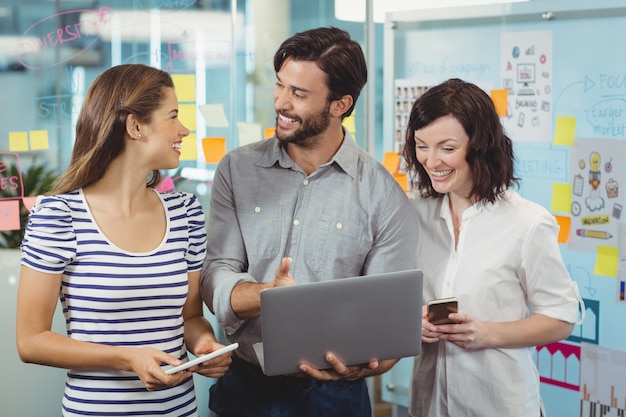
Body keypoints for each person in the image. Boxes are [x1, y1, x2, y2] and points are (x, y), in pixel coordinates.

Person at [200, 26, 419, 417]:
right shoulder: (236, 169)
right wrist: (269, 294)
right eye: (280, 86)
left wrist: (369, 363)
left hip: (336, 396)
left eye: (299, 94)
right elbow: (216, 273)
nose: (281, 102)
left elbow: (389, 328)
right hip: (244, 386)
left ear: (340, 104)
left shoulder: (383, 196)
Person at [16, 64, 231, 417]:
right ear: (134, 125)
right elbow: (31, 340)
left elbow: (190, 317)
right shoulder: (59, 216)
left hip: (180, 410)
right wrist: (128, 358)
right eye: (173, 116)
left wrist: (205, 344)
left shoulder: (186, 213)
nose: (184, 129)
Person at [402, 78, 583, 417]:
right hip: (428, 406)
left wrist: (486, 334)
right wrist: (409, 322)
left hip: (500, 405)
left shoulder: (527, 222)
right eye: (421, 145)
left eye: (447, 147)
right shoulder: (412, 213)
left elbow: (561, 317)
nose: (430, 160)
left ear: (480, 145)